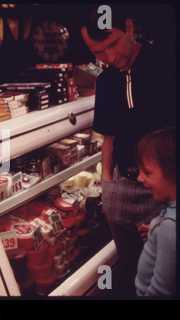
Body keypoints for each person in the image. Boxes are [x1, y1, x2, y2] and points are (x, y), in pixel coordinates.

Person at [81, 5, 176, 295]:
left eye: (113, 44)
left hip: (164, 185)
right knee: (133, 265)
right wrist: (107, 183)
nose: (110, 58)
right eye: (98, 53)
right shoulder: (106, 81)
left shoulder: (167, 62)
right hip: (121, 184)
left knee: (165, 269)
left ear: (130, 28)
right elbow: (108, 137)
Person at [134, 126, 176, 297]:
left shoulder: (170, 228)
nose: (139, 178)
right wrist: (155, 229)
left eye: (147, 172)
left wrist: (163, 232)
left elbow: (160, 291)